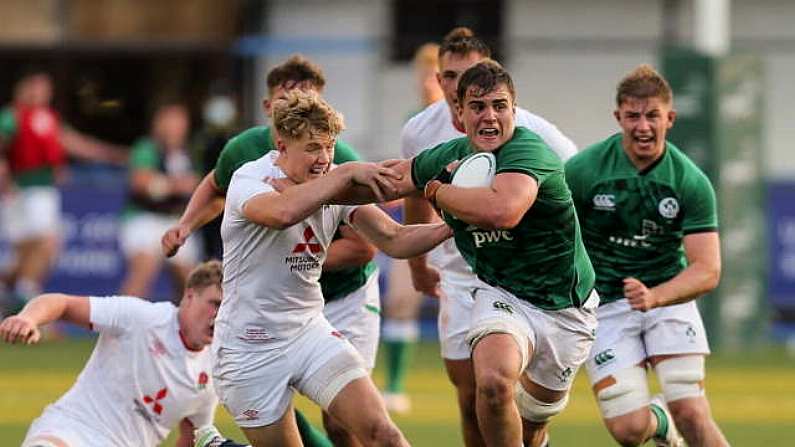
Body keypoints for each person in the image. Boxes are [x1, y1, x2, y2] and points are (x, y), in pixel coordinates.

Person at [375, 60, 597, 447]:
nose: (490, 116)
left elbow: (502, 212)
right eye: (478, 106)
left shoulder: (529, 150)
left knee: (531, 430)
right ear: (459, 114)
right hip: (502, 292)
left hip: (565, 305)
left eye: (499, 106)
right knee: (492, 386)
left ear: (514, 109)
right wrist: (319, 184)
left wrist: (436, 191)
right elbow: (387, 180)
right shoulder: (446, 154)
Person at [162, 54, 379, 447]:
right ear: (270, 112)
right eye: (287, 101)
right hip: (260, 325)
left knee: (352, 425)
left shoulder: (338, 158)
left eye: (308, 100)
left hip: (341, 299)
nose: (299, 108)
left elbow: (368, 247)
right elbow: (218, 187)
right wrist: (185, 225)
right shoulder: (246, 158)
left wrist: (442, 199)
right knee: (277, 408)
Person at [212, 89, 451, 447]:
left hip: (309, 332)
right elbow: (282, 214)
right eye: (312, 148)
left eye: (329, 146)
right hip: (249, 348)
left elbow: (394, 238)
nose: (324, 159)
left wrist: (454, 227)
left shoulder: (333, 180)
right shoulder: (249, 179)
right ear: (281, 143)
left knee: (383, 435)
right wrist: (349, 173)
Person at [565, 64, 729, 447]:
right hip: (604, 306)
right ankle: (660, 422)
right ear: (618, 116)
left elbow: (707, 269)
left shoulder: (690, 181)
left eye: (652, 115)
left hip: (668, 298)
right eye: (633, 116)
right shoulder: (583, 171)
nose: (642, 126)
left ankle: (676, 416)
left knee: (691, 410)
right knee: (629, 431)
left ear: (669, 118)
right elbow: (553, 234)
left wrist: (656, 296)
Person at [0, 260, 249, 447]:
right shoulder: (141, 317)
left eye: (228, 308)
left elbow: (194, 436)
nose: (220, 315)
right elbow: (62, 303)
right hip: (70, 430)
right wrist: (28, 318)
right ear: (189, 297)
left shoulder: (212, 371)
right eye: (215, 303)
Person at [0, 70, 126, 314]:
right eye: (35, 86)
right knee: (47, 243)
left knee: (27, 253)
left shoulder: (48, 118)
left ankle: (12, 297)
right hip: (23, 190)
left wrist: (113, 155)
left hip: (43, 190)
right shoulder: (12, 116)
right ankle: (24, 298)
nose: (40, 93)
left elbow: (75, 143)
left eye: (45, 88)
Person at [379, 41, 444, 414]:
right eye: (421, 73)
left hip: (454, 223)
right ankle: (395, 386)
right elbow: (411, 179)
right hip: (419, 221)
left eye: (433, 74)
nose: (425, 81)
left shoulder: (464, 119)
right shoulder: (415, 121)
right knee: (400, 301)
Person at [120, 103, 200, 300]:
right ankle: (117, 328)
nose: (175, 128)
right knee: (144, 268)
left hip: (176, 221)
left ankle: (183, 328)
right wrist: (174, 185)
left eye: (179, 123)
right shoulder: (147, 148)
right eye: (170, 122)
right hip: (144, 219)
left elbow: (197, 184)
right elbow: (140, 182)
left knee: (192, 281)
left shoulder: (188, 153)